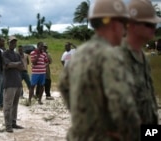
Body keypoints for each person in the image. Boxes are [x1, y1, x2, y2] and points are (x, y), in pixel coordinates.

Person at [58, 0, 141, 140]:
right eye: (124, 24)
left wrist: (85, 116)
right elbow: (121, 103)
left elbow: (63, 86)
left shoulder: (79, 54)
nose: (126, 30)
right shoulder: (111, 56)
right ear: (114, 24)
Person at [118, 0, 161, 125]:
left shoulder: (142, 57)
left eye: (155, 24)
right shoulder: (117, 57)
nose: (154, 28)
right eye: (149, 24)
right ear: (132, 25)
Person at [2, 36, 24, 133]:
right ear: (8, 43)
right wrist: (16, 64)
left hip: (18, 82)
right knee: (8, 105)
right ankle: (8, 125)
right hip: (9, 83)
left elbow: (22, 67)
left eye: (14, 42)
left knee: (15, 104)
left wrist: (13, 64)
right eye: (11, 42)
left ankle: (13, 122)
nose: (13, 44)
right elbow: (7, 65)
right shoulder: (4, 53)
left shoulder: (17, 54)